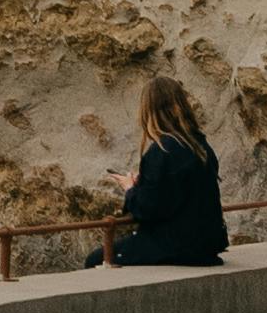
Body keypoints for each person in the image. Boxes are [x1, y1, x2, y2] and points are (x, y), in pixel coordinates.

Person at [91, 74, 228, 272]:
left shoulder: (162, 150)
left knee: (96, 259)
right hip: (206, 246)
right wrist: (146, 183)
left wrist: (130, 189)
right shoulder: (199, 144)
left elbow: (146, 209)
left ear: (149, 110)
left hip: (176, 247)